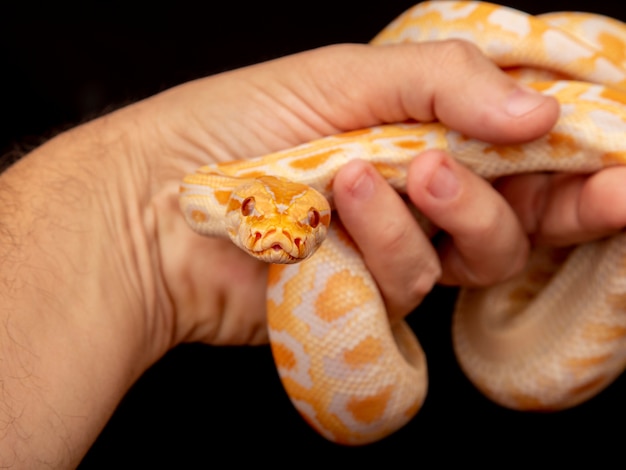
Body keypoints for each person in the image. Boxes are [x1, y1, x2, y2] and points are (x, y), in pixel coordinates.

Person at [1, 37, 625, 466]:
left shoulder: (277, 196)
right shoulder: (218, 189)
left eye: (303, 216)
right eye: (254, 212)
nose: (282, 237)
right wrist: (126, 213)